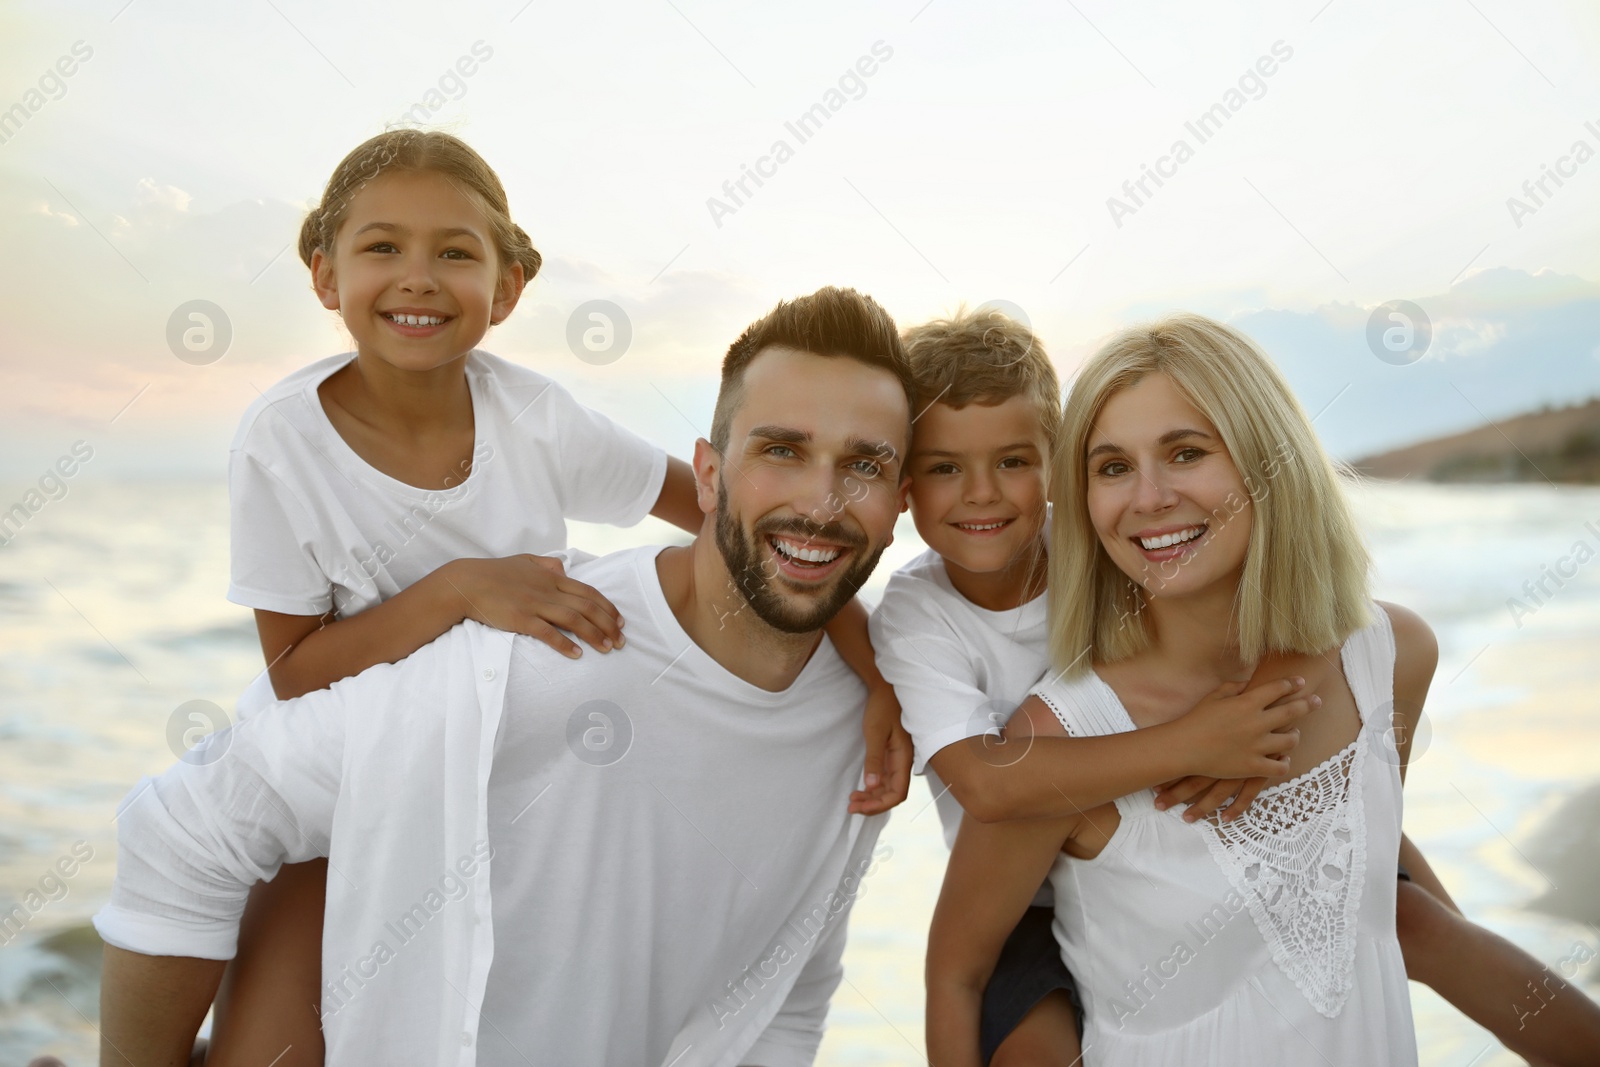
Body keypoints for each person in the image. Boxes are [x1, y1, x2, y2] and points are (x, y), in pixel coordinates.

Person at [213, 131, 908, 1063]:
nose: (417, 277)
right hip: (354, 756)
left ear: (507, 288)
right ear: (323, 273)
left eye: (454, 252)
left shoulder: (533, 418)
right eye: (382, 246)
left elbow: (723, 519)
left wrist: (869, 667)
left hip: (507, 743)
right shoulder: (278, 441)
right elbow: (293, 672)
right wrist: (460, 590)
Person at [926, 312, 1425, 1064]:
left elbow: (1386, 908)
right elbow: (959, 974)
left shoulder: (1391, 656)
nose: (1150, 497)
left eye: (1186, 452)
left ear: (1270, 459)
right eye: (1113, 466)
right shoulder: (1053, 744)